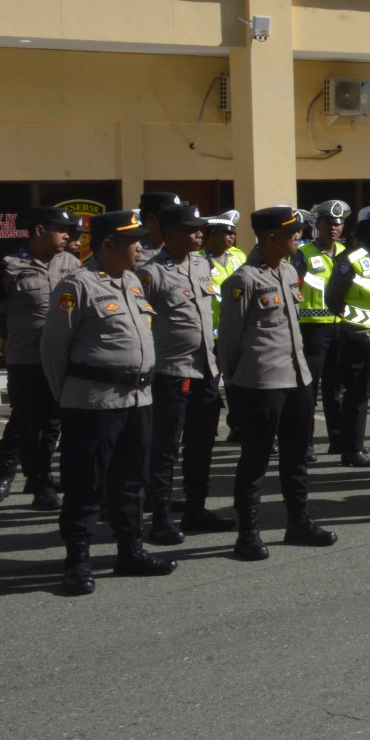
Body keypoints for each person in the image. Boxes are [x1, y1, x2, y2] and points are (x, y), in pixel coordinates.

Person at [41, 209, 172, 594]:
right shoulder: (76, 285)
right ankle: (77, 561)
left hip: (137, 400)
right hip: (93, 403)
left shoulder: (132, 281)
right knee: (85, 484)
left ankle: (130, 551)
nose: (140, 247)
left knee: (131, 482)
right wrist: (68, 397)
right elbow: (53, 351)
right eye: (133, 241)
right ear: (108, 244)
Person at [218, 206, 338, 558]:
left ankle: (298, 521)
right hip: (261, 382)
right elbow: (229, 342)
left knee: (296, 455)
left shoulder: (288, 271)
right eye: (292, 232)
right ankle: (248, 532)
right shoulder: (243, 280)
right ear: (271, 237)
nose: (298, 236)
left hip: (297, 377)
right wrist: (236, 387)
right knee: (255, 459)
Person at [136, 203, 232, 544]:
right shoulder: (150, 273)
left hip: (205, 369)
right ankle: (161, 517)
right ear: (170, 233)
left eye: (200, 229)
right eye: (191, 230)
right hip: (171, 372)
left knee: (201, 444)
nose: (199, 235)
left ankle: (196, 509)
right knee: (165, 449)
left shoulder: (202, 264)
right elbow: (139, 322)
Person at [0, 206, 80, 507]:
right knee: (31, 423)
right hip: (27, 360)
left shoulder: (72, 264)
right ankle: (35, 483)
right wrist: (12, 335)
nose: (68, 236)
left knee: (55, 424)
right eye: (61, 230)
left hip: (63, 359)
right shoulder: (8, 266)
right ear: (40, 231)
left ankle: (42, 477)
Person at [324, 205, 370, 468]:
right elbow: (333, 297)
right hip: (360, 337)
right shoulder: (351, 258)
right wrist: (355, 322)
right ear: (365, 230)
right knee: (358, 395)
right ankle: (352, 449)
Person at [295, 200, 349, 460]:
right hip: (312, 329)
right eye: (328, 223)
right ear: (317, 225)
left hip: (340, 327)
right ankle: (305, 443)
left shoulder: (347, 253)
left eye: (338, 223)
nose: (334, 228)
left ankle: (337, 440)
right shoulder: (303, 253)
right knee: (308, 388)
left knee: (335, 388)